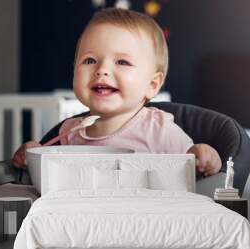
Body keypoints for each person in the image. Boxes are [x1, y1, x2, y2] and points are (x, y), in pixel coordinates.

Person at [13, 8, 221, 177]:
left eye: (122, 62)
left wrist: (205, 156)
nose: (101, 70)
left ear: (152, 84)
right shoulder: (70, 132)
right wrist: (32, 155)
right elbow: (51, 177)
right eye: (90, 60)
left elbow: (193, 164)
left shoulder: (158, 129)